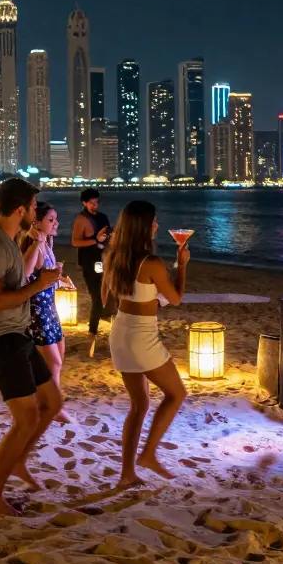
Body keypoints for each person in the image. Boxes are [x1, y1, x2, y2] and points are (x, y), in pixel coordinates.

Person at [0, 178, 64, 515]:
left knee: (52, 402)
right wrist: (38, 284)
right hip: (0, 339)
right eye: (35, 207)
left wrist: (40, 281)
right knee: (25, 419)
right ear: (21, 209)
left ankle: (19, 461)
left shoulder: (9, 241)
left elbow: (16, 284)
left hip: (18, 334)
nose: (37, 212)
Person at [102, 200, 189, 488]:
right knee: (176, 394)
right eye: (153, 221)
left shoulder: (114, 256)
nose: (157, 225)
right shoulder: (150, 263)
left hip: (120, 331)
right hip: (141, 336)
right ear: (142, 226)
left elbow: (117, 298)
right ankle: (149, 453)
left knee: (139, 405)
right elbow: (175, 298)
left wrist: (150, 297)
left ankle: (127, 474)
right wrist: (183, 265)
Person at [21, 202, 75, 424]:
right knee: (53, 362)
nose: (56, 223)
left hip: (50, 309)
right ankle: (50, 405)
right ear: (37, 223)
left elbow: (46, 276)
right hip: (37, 311)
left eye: (55, 219)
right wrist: (36, 242)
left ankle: (52, 402)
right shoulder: (33, 246)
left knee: (59, 357)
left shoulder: (48, 245)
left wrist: (61, 279)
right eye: (51, 220)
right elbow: (24, 274)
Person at [70, 188, 112, 355]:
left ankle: (104, 318)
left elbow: (108, 236)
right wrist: (95, 240)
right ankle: (92, 334)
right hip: (89, 262)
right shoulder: (81, 219)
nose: (95, 206)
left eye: (97, 202)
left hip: (104, 260)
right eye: (91, 203)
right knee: (96, 297)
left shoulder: (102, 217)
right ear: (84, 203)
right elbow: (75, 242)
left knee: (106, 294)